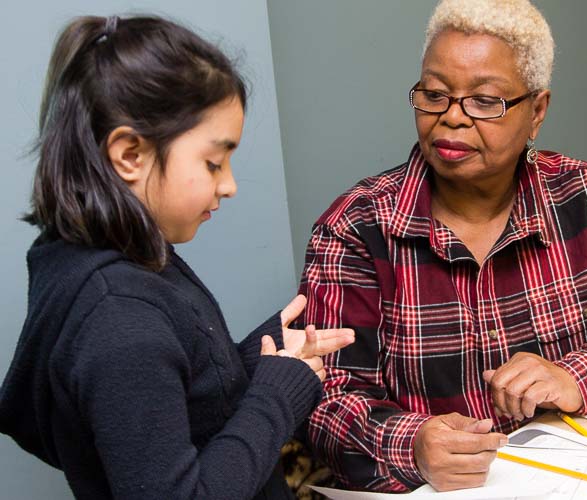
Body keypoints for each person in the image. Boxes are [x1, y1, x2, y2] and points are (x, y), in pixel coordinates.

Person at [298, 0, 587, 493]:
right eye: (434, 94)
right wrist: (412, 444)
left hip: (581, 476)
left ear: (537, 112)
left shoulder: (586, 196)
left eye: (484, 101)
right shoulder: (356, 226)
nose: (452, 119)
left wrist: (579, 376)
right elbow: (325, 402)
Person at [0, 14, 354, 500]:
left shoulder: (111, 261)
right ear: (129, 154)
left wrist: (257, 358)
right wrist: (276, 396)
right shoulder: (117, 314)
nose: (228, 185)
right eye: (213, 162)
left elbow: (176, 401)